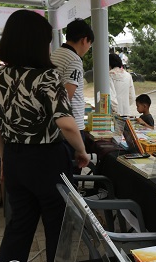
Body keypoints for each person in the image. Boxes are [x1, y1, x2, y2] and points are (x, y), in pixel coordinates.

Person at [0, 9, 90, 262]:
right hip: (46, 160)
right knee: (57, 226)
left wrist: (4, 158)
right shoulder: (47, 76)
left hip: (14, 158)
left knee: (19, 226)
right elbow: (66, 123)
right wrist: (82, 151)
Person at [50, 18, 94, 173]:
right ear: (84, 40)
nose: (88, 48)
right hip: (70, 126)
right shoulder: (74, 60)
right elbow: (65, 99)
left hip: (55, 127)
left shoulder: (56, 54)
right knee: (70, 175)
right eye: (90, 44)